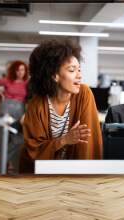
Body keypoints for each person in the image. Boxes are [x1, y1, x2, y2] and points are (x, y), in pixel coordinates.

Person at [19, 39, 102, 173]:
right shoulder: (37, 104)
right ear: (54, 75)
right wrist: (64, 140)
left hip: (73, 173)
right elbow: (34, 150)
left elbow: (88, 144)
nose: (79, 76)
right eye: (72, 70)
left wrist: (85, 178)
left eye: (79, 69)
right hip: (39, 174)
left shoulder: (84, 94)